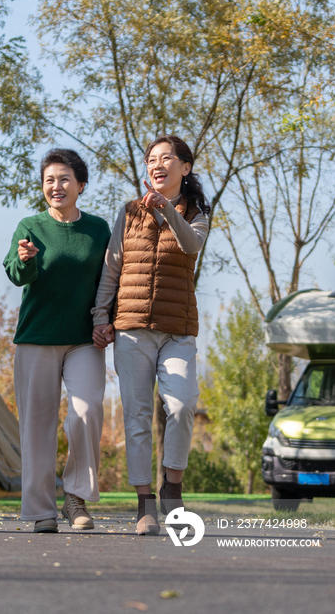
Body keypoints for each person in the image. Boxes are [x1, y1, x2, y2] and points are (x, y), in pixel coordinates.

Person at [92, 135, 210, 535]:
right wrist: (99, 316)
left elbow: (191, 245)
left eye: (166, 158)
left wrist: (167, 210)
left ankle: (171, 487)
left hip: (177, 330)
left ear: (185, 167)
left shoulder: (196, 213)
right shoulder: (128, 213)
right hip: (132, 330)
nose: (157, 164)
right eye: (151, 159)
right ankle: (144, 504)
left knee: (181, 406)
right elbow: (112, 269)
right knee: (137, 417)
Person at [3, 149, 110, 533]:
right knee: (37, 425)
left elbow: (109, 282)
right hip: (37, 337)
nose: (56, 186)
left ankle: (76, 498)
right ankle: (39, 511)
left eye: (64, 178)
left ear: (81, 185)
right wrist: (26, 258)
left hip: (84, 339)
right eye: (49, 179)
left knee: (86, 412)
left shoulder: (98, 230)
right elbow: (16, 274)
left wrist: (108, 320)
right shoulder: (29, 226)